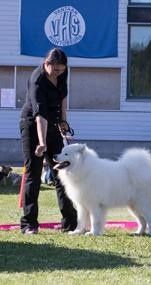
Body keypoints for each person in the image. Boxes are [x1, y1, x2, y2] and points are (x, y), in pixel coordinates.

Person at [19, 48, 77, 234]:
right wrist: (42, 143)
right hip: (32, 125)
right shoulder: (37, 80)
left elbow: (63, 98)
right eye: (56, 70)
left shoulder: (63, 72)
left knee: (61, 173)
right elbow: (40, 115)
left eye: (62, 70)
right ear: (47, 64)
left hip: (51, 123)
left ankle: (70, 222)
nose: (59, 73)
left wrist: (63, 121)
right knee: (33, 174)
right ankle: (29, 224)